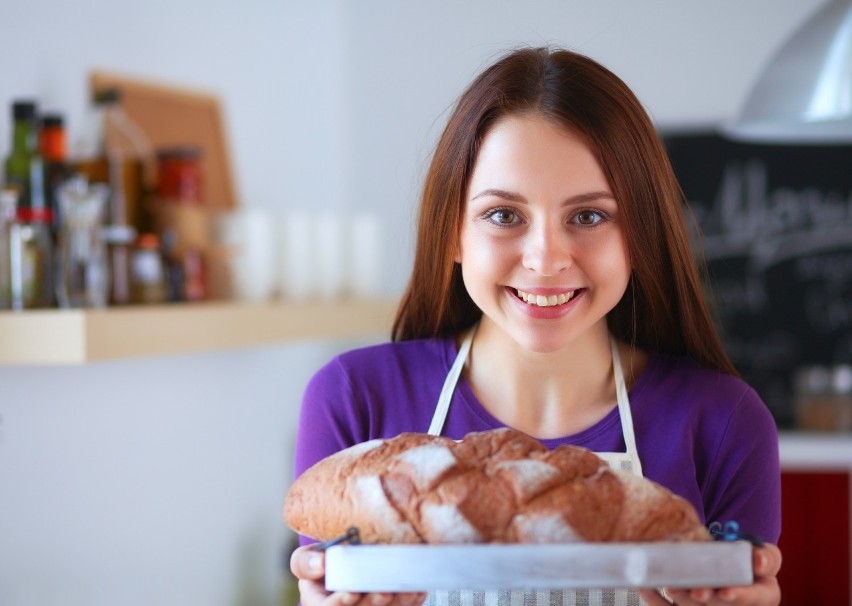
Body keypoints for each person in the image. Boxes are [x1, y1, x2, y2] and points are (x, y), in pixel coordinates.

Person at [288, 46, 782, 606]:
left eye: (589, 216)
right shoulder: (354, 400)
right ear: (453, 232)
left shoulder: (724, 423)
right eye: (504, 215)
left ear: (640, 235)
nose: (546, 259)